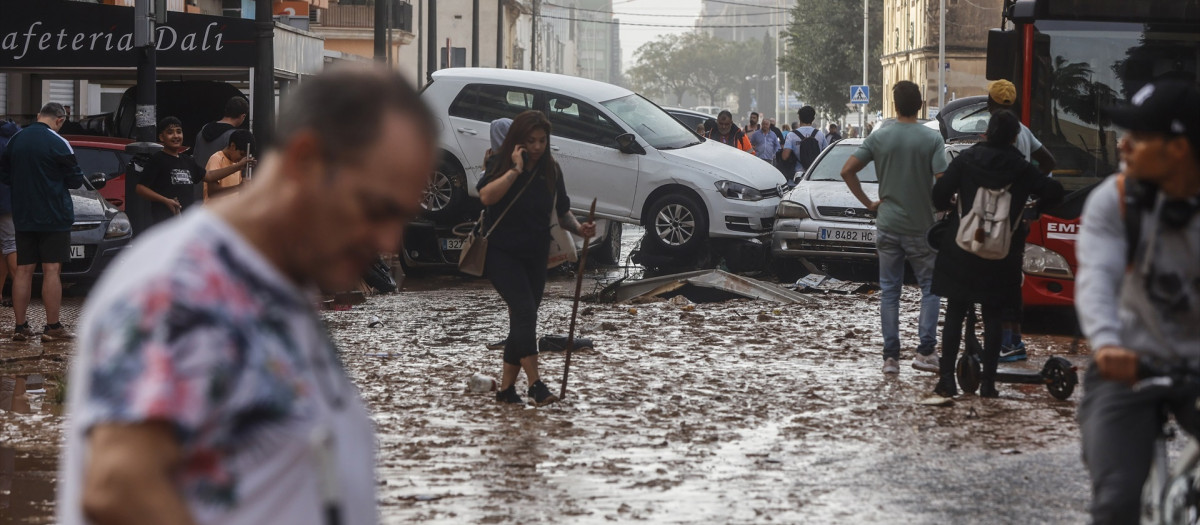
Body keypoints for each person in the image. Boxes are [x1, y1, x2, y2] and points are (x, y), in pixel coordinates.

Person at [59, 64, 436, 525]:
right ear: (304, 161)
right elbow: (120, 490)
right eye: (377, 208)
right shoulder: (182, 285)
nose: (389, 241)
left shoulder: (275, 285)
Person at [1076, 79, 1200, 524]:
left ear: (1179, 149)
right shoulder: (1116, 201)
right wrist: (1106, 344)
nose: (1123, 146)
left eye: (1140, 137)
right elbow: (1097, 277)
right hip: (1127, 367)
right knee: (1115, 501)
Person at [929, 110, 1063, 398]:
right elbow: (1055, 191)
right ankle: (988, 385)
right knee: (993, 314)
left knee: (955, 312)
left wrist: (956, 205)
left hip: (961, 250)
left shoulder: (967, 159)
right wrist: (1030, 210)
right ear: (1015, 138)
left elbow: (939, 194)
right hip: (1002, 254)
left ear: (986, 132)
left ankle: (947, 382)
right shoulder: (1021, 168)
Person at [477, 110, 596, 407]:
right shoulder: (500, 162)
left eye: (542, 140)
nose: (537, 146)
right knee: (526, 312)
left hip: (535, 256)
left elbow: (563, 211)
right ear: (518, 140)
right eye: (531, 141)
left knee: (522, 320)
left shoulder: (551, 168)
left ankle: (505, 391)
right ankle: (536, 385)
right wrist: (515, 170)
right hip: (502, 254)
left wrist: (580, 228)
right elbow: (486, 197)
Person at [840, 81, 948, 375]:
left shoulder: (880, 136)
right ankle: (925, 352)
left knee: (889, 291)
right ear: (921, 105)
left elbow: (847, 170)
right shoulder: (932, 139)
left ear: (895, 105)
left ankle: (891, 359)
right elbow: (943, 177)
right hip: (921, 226)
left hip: (886, 223)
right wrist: (941, 207)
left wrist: (868, 203)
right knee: (930, 288)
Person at [985, 79, 1059, 363]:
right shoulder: (1025, 132)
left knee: (995, 282)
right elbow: (1049, 161)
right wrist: (1033, 199)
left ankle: (1004, 342)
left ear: (990, 104)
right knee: (1012, 280)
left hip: (995, 220)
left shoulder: (996, 136)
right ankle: (1011, 340)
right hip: (1018, 219)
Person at [0, 103, 83, 342]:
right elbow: (75, 179)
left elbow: (5, 175)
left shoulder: (15, 140)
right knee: (51, 270)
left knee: (24, 271)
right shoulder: (59, 142)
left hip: (23, 215)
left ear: (39, 116)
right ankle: (52, 326)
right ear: (59, 120)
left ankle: (20, 327)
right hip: (54, 215)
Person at [192, 96, 249, 173]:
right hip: (220, 183)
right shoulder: (235, 137)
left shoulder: (202, 130)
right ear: (243, 116)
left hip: (198, 182)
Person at [203, 129, 256, 202]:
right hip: (214, 211)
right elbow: (212, 193)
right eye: (241, 154)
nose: (241, 158)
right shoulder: (216, 158)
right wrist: (238, 187)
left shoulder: (237, 163)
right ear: (233, 146)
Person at [0, 120, 19, 308]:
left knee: (7, 248)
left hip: (4, 201)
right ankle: (19, 289)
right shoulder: (14, 141)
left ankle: (17, 290)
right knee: (8, 246)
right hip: (9, 202)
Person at [782, 106, 829, 180]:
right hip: (815, 174)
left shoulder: (791, 135)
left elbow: (785, 156)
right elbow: (826, 155)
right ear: (813, 119)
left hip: (798, 175)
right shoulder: (820, 134)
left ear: (799, 118)